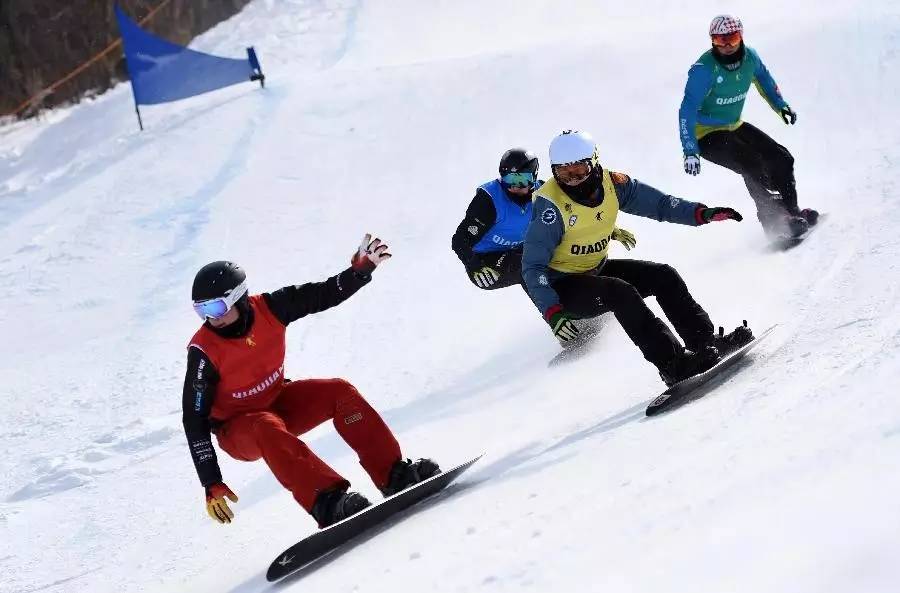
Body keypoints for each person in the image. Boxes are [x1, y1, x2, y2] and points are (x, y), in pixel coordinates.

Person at [182, 235, 439, 528]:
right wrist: (211, 482)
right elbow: (194, 419)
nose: (210, 319)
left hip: (278, 402)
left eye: (215, 308)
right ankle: (327, 502)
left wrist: (359, 272)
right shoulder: (204, 352)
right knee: (264, 425)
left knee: (340, 392)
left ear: (239, 298)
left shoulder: (271, 307)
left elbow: (324, 294)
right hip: (238, 430)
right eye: (201, 311)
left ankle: (393, 475)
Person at [522, 130, 753, 386]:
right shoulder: (549, 207)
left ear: (594, 162)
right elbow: (532, 267)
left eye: (579, 171)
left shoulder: (613, 184)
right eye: (563, 174)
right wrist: (553, 312)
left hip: (594, 270)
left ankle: (704, 344)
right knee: (621, 292)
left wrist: (701, 213)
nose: (573, 180)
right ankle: (672, 365)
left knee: (663, 275)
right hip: (564, 287)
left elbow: (660, 204)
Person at [678, 14, 819, 240]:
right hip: (705, 134)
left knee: (782, 157)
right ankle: (775, 221)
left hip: (734, 125)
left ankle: (792, 212)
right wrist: (690, 150)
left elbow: (765, 81)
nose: (726, 47)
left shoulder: (750, 58)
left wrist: (781, 106)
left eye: (732, 39)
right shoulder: (704, 69)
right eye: (719, 40)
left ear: (741, 36)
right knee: (751, 163)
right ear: (712, 41)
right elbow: (687, 111)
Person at [451, 148, 543, 290]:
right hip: (485, 261)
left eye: (521, 180)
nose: (514, 186)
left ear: (534, 177)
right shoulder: (488, 200)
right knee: (526, 265)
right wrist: (474, 265)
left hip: (519, 249)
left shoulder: (543, 193)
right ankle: (552, 310)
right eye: (509, 179)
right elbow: (459, 240)